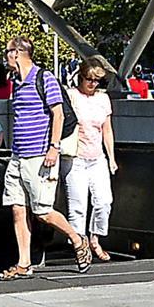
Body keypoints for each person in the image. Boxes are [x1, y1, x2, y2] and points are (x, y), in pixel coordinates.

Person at [0, 36, 89, 279]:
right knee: (18, 209)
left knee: (42, 211)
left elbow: (57, 115)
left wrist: (54, 147)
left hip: (40, 156)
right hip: (18, 156)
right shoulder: (16, 82)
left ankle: (77, 239)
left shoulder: (44, 78)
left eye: (7, 52)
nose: (5, 57)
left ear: (17, 53)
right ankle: (24, 263)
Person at [63, 59, 118, 262]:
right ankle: (81, 245)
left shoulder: (103, 99)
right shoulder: (71, 96)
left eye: (97, 81)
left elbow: (107, 129)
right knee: (78, 205)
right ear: (81, 77)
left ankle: (95, 237)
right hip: (75, 158)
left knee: (104, 201)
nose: (93, 84)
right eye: (89, 79)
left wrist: (111, 157)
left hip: (97, 158)